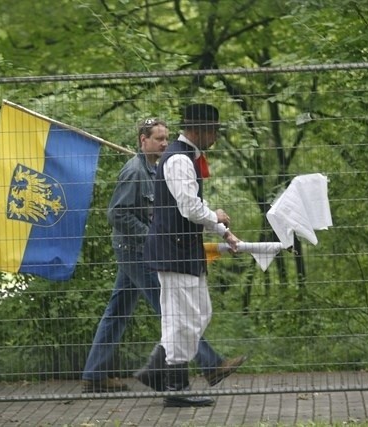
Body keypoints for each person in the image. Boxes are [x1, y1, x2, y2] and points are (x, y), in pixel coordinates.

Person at [80, 117, 245, 393]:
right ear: (143, 141)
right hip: (136, 252)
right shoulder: (134, 172)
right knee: (173, 310)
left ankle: (94, 374)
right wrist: (151, 236)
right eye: (158, 138)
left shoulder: (158, 169)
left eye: (166, 138)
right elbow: (117, 214)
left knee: (117, 312)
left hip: (140, 251)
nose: (164, 142)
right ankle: (210, 364)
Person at [143, 104, 241, 408]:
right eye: (213, 132)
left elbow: (193, 205)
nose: (215, 138)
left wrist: (222, 231)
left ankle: (157, 372)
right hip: (174, 250)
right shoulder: (178, 160)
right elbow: (190, 208)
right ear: (199, 130)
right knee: (183, 319)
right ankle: (174, 385)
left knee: (196, 314)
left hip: (183, 249)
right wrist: (218, 215)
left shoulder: (185, 158)